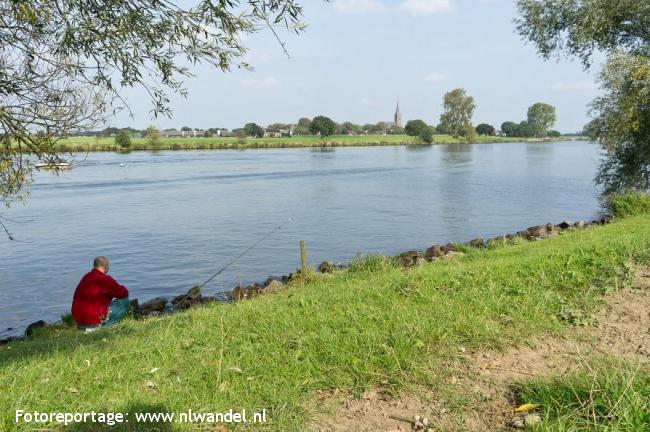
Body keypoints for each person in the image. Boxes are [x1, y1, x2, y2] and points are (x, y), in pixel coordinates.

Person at [71, 256, 130, 329]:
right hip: (93, 321)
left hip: (79, 320)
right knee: (124, 300)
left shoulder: (86, 277)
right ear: (106, 266)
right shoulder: (105, 280)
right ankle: (106, 327)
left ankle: (85, 327)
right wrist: (122, 287)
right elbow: (123, 293)